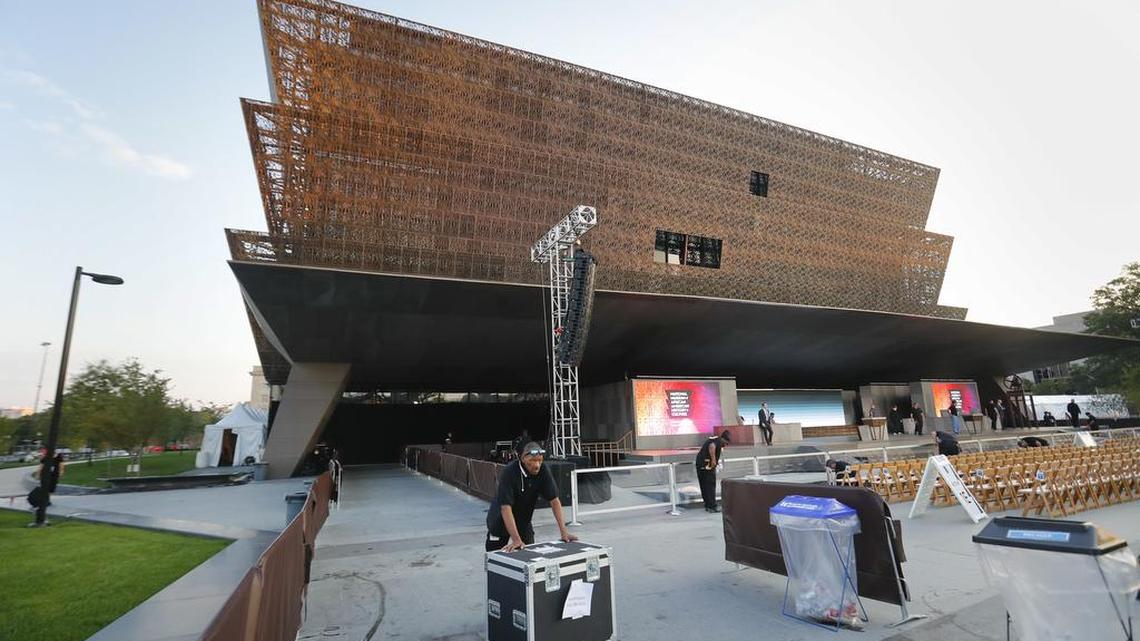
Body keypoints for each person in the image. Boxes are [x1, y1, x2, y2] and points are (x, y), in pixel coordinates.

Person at [485, 442, 578, 552]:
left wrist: (564, 532)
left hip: (523, 520)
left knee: (529, 553)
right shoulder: (509, 472)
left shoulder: (543, 471)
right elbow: (505, 508)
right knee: (495, 556)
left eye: (539, 460)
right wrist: (516, 539)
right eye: (533, 461)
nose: (537, 465)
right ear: (523, 459)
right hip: (500, 520)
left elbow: (554, 501)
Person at [695, 430, 731, 512]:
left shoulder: (715, 439)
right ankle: (712, 506)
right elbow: (712, 446)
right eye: (726, 443)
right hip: (708, 465)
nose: (725, 445)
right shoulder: (717, 441)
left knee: (704, 485)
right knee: (710, 485)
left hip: (700, 463)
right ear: (723, 439)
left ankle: (707, 505)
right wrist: (714, 460)